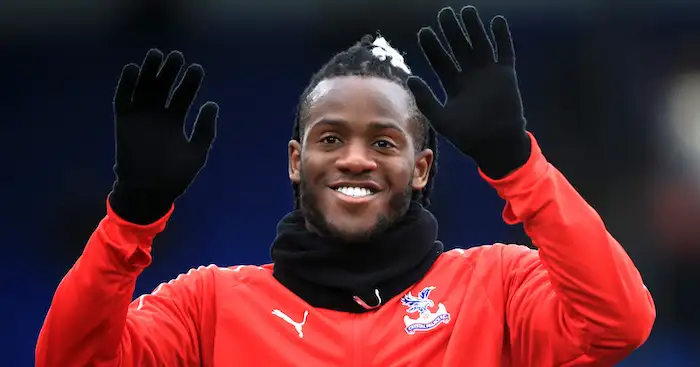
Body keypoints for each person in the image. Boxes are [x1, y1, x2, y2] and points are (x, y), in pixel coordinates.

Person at [36, 5, 655, 367]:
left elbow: (620, 321)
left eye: (384, 142)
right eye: (331, 139)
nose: (356, 159)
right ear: (294, 161)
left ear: (422, 168)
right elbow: (68, 360)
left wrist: (517, 163)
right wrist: (131, 215)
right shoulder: (208, 307)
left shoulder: (496, 287)